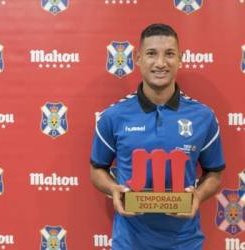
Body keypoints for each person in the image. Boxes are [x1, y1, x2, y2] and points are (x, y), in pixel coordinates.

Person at [90, 23, 225, 250]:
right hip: (129, 243)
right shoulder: (113, 116)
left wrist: (198, 196)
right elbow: (97, 169)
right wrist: (114, 190)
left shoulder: (204, 117)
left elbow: (215, 172)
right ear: (138, 58)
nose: (161, 63)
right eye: (152, 54)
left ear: (180, 59)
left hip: (186, 243)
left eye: (169, 54)